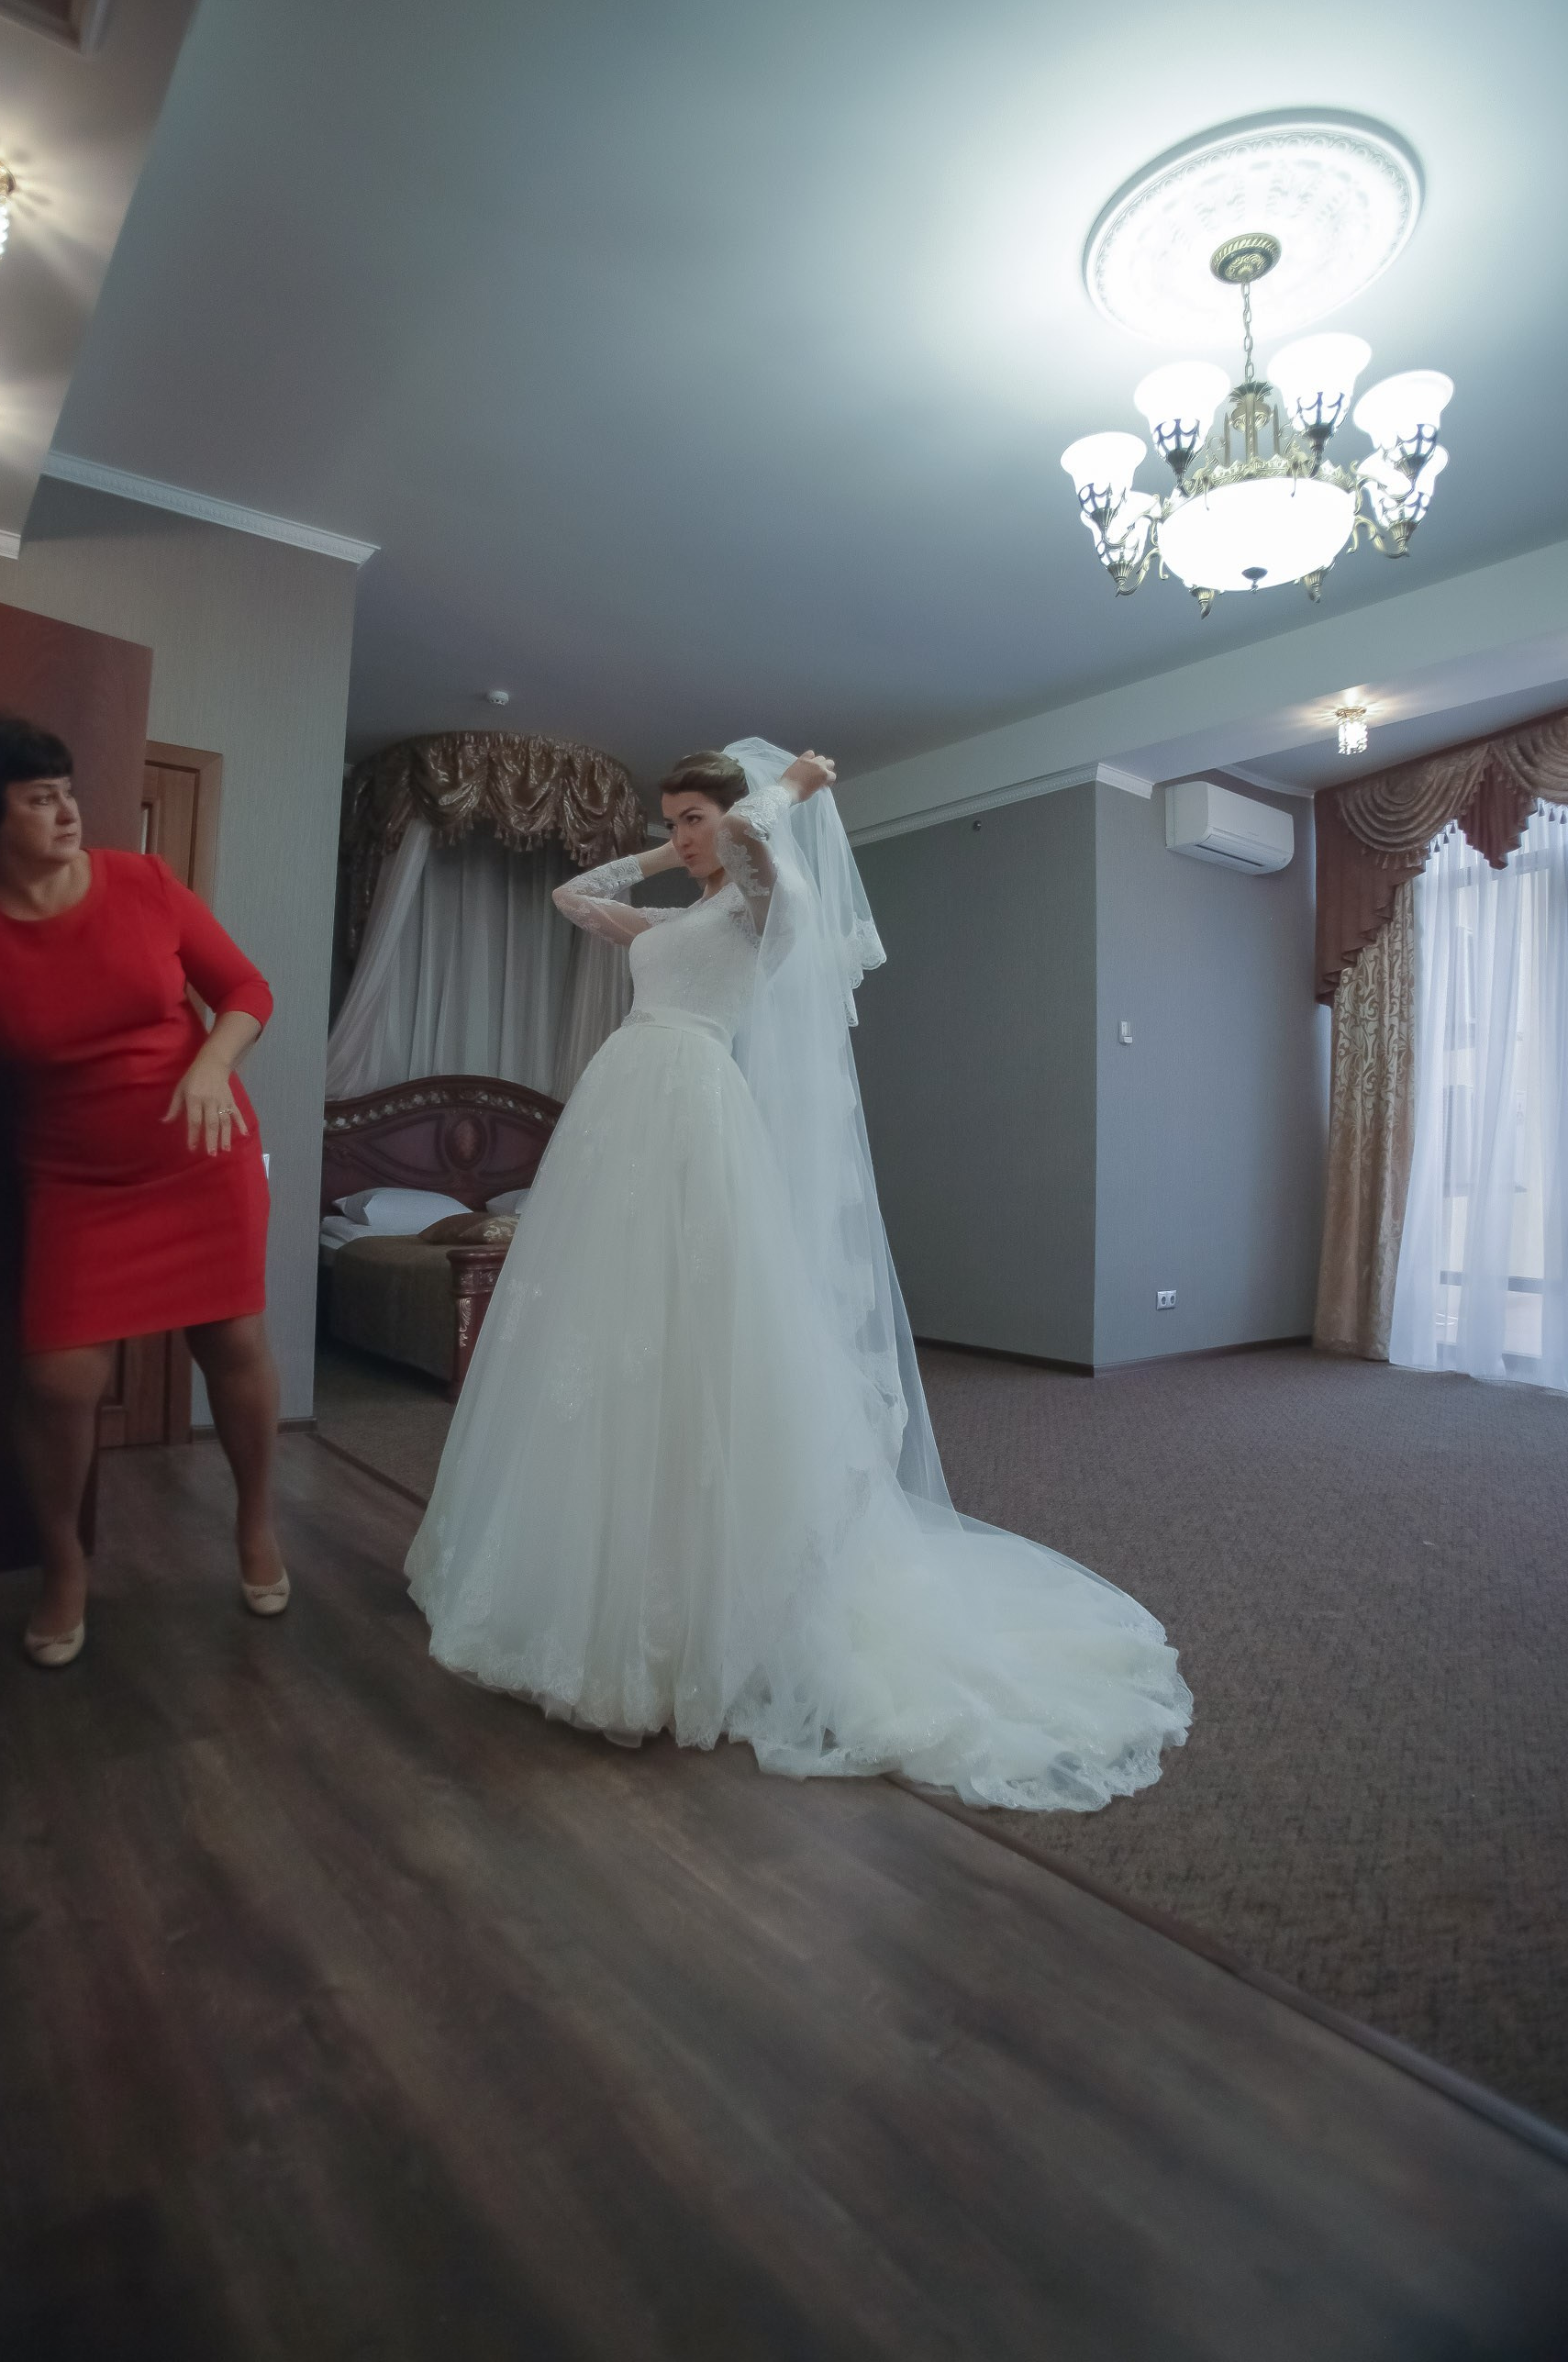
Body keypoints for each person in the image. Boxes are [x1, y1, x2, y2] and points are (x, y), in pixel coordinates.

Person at [405, 738, 1191, 1811]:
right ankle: (600, 1570)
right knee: (614, 1328)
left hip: (694, 1106)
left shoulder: (765, 908)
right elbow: (572, 896)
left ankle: (717, 1600)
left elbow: (751, 844)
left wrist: (776, 793)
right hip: (622, 1111)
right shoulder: (676, 918)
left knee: (702, 1319)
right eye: (671, 818)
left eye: (693, 817)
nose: (684, 836)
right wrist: (664, 850)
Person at [0, 711, 287, 1666]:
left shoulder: (143, 881)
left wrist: (211, 1065)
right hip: (78, 1184)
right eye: (39, 797)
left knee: (233, 1342)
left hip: (202, 1157)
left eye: (65, 791)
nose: (68, 811)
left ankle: (256, 1523)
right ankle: (63, 1567)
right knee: (59, 1380)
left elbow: (247, 990)